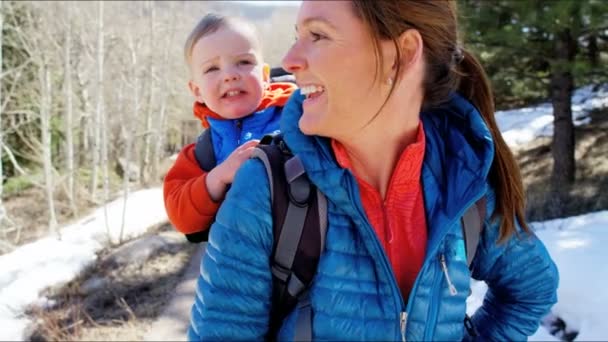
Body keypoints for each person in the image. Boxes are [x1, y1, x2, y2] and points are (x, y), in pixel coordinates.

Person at [188, 1, 559, 341]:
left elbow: (531, 291)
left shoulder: (461, 183)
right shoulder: (267, 188)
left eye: (317, 35)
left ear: (404, 54)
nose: (291, 59)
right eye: (296, 37)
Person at [163, 13, 295, 236]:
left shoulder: (299, 116)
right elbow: (181, 217)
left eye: (243, 62)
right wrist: (217, 177)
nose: (230, 75)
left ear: (265, 76)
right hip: (242, 264)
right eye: (212, 69)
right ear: (197, 91)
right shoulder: (203, 153)